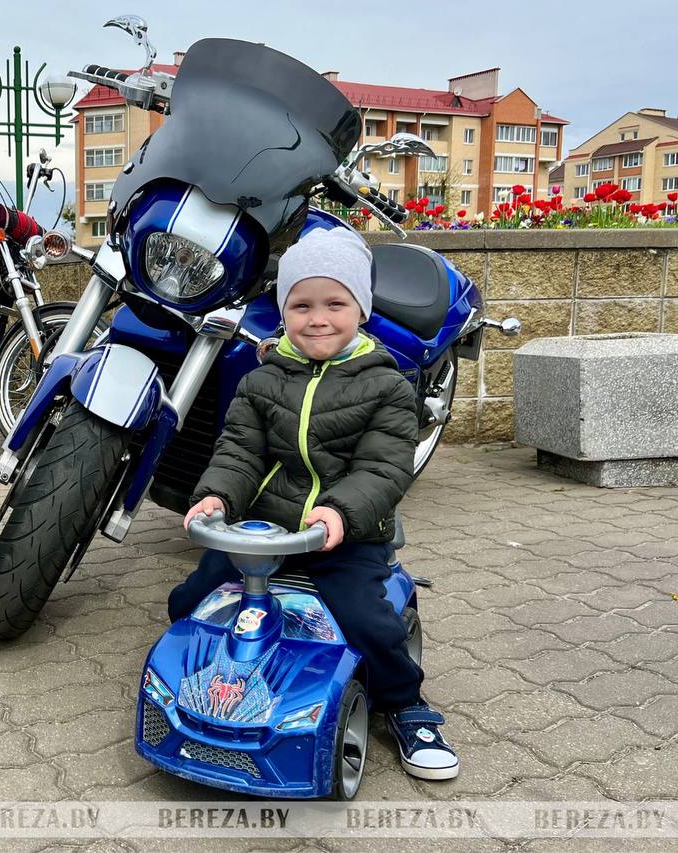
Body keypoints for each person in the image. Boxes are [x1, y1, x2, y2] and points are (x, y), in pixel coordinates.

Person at [170, 226, 458, 780]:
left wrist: (341, 513)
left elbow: (383, 467)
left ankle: (406, 706)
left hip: (342, 535)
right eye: (301, 304)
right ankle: (199, 684)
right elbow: (238, 453)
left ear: (361, 309)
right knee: (193, 597)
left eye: (335, 303)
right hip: (267, 532)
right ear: (284, 310)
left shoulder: (389, 386)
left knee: (364, 619)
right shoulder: (261, 380)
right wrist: (214, 499)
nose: (317, 318)